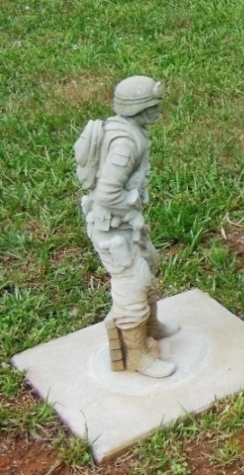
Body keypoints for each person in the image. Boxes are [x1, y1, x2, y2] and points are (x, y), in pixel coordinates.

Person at [74, 76, 179, 378]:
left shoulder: (130, 131)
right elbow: (108, 193)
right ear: (139, 108)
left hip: (127, 225)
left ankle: (153, 328)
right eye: (153, 104)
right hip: (114, 229)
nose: (158, 109)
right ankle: (136, 355)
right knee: (133, 285)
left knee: (148, 268)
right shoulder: (125, 142)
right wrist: (132, 210)